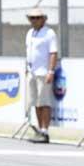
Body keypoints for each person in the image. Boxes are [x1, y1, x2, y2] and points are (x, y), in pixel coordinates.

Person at [25, 9, 58, 144]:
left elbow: (53, 53)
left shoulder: (49, 33)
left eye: (37, 17)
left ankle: (45, 130)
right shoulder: (30, 33)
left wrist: (51, 71)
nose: (35, 20)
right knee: (36, 103)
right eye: (32, 18)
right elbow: (29, 52)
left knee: (44, 102)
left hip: (43, 72)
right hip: (32, 72)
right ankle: (39, 129)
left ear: (43, 19)